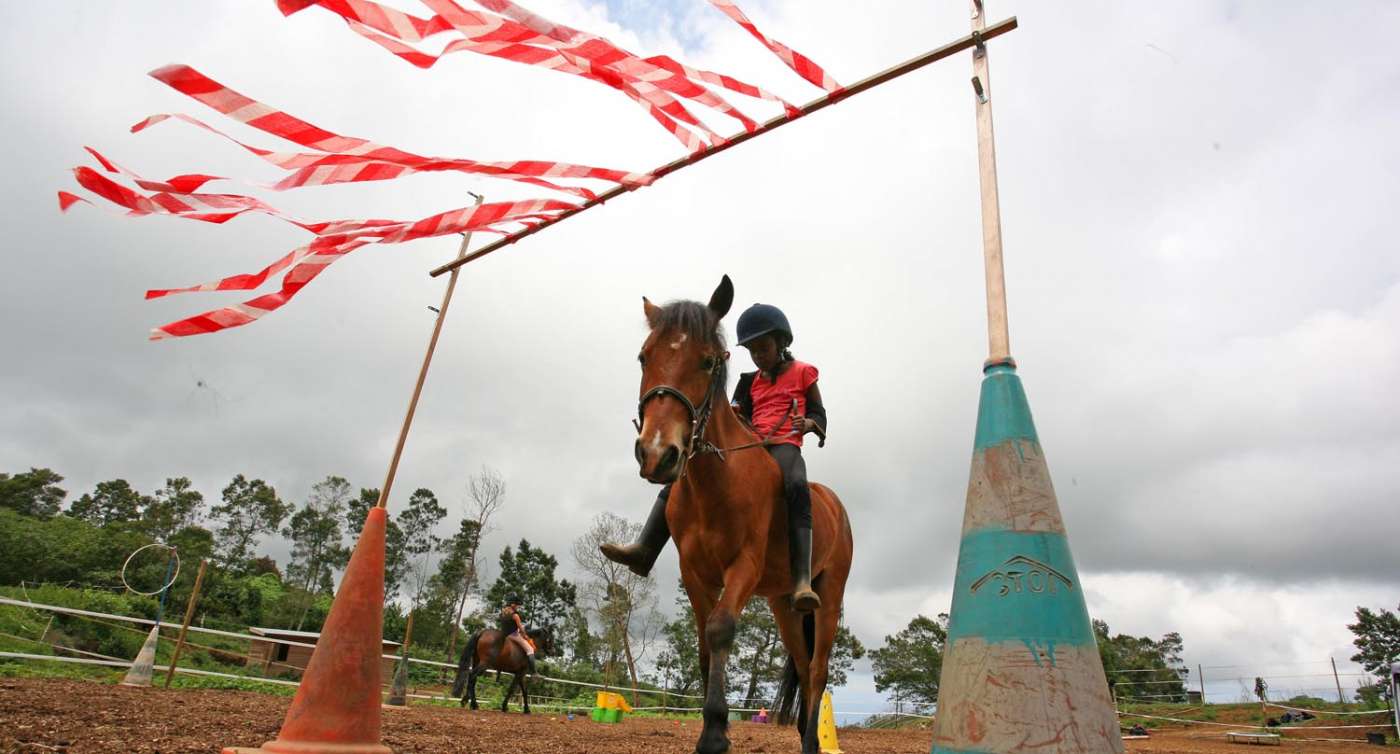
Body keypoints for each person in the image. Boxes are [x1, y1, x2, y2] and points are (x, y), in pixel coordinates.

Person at [601, 303, 828, 611]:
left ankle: (802, 579)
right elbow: (737, 411)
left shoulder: (803, 373)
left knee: (796, 483)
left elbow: (818, 412)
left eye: (764, 348)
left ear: (781, 343)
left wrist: (812, 424)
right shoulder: (749, 381)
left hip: (784, 443)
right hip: (751, 445)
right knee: (686, 474)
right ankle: (645, 548)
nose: (759, 355)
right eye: (753, 351)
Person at [498, 594, 537, 673]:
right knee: (530, 650)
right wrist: (526, 637)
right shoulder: (515, 615)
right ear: (513, 604)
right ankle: (534, 673)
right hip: (514, 636)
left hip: (504, 634)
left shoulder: (502, 613)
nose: (518, 607)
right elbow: (521, 629)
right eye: (517, 605)